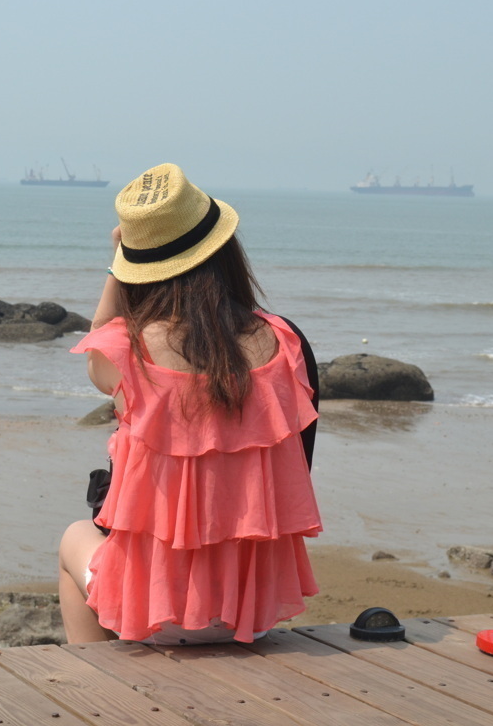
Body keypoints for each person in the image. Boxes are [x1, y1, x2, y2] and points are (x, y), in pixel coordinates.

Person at [58, 162, 322, 645]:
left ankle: (92, 675)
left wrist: (118, 262)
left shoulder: (128, 349)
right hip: (252, 614)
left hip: (156, 616)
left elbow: (96, 343)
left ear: (139, 268)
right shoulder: (286, 344)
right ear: (224, 249)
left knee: (75, 536)